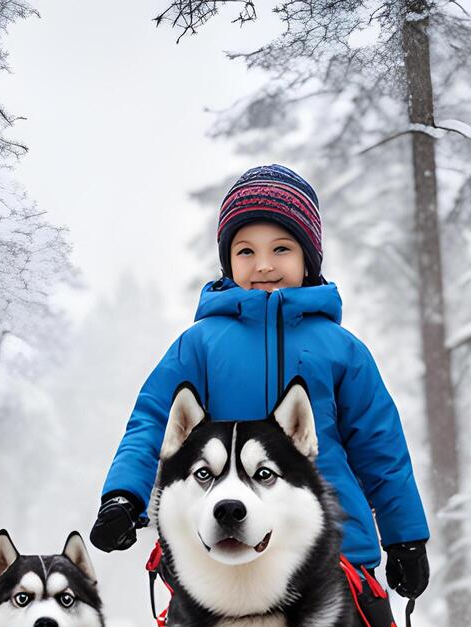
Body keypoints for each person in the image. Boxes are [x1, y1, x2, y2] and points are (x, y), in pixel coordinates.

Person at [89, 163, 430, 600]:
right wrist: (123, 497)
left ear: (308, 258)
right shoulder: (198, 346)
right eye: (246, 251)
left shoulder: (341, 350)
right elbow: (152, 425)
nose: (264, 265)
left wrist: (405, 537)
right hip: (218, 554)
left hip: (332, 556)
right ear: (228, 261)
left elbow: (381, 449)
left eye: (282, 249)